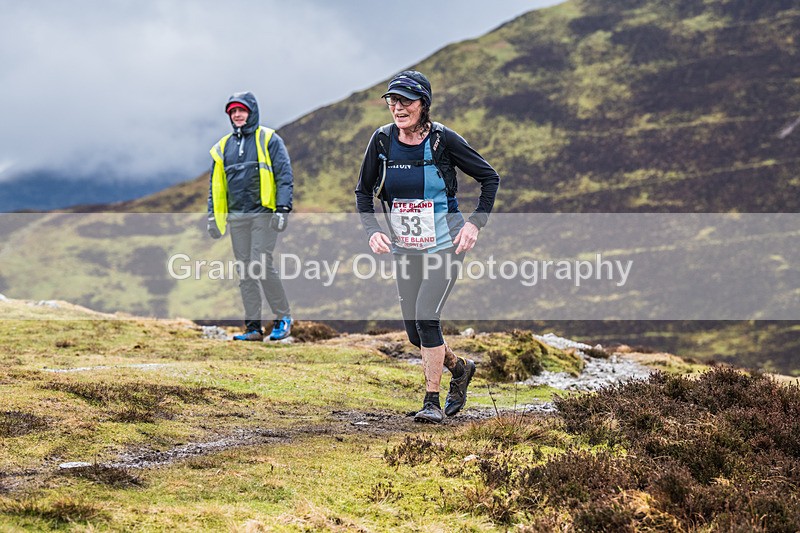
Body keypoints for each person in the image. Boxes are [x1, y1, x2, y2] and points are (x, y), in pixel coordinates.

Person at [355, 71, 500, 423]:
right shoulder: (381, 141)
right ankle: (460, 368)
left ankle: (431, 401)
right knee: (414, 334)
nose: (398, 107)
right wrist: (372, 230)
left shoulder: (442, 140)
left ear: (423, 105)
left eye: (406, 100)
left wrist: (474, 223)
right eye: (393, 100)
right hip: (406, 249)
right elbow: (363, 192)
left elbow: (489, 177)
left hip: (446, 245)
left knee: (426, 317)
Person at [207, 91, 294, 341]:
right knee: (245, 271)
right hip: (237, 218)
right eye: (232, 111)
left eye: (241, 110)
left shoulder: (269, 139)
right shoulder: (222, 147)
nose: (237, 115)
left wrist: (282, 209)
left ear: (251, 111)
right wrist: (214, 217)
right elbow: (215, 186)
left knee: (260, 263)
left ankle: (283, 318)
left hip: (263, 214)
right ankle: (253, 328)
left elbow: (284, 176)